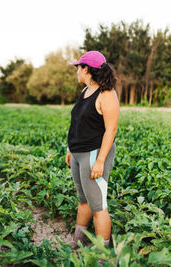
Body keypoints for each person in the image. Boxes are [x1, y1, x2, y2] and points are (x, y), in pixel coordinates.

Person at [65, 51, 119, 249]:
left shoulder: (106, 94)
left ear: (86, 69)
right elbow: (78, 123)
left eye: (78, 67)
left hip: (94, 154)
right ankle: (77, 244)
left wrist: (100, 160)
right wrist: (71, 148)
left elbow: (111, 129)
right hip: (79, 154)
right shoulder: (86, 91)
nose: (76, 71)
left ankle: (101, 254)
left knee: (98, 206)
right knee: (83, 201)